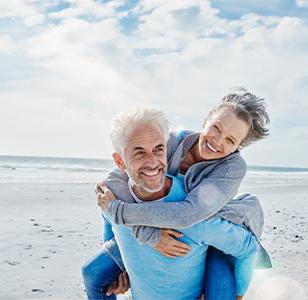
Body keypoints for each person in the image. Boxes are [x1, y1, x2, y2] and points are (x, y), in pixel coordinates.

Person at [82, 87, 270, 299]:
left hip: (202, 226)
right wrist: (141, 238)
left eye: (230, 140)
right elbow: (117, 176)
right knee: (93, 273)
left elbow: (188, 215)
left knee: (220, 286)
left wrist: (122, 214)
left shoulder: (232, 167)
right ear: (206, 120)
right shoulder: (172, 141)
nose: (218, 141)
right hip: (152, 219)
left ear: (237, 147)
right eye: (216, 128)